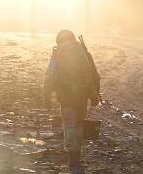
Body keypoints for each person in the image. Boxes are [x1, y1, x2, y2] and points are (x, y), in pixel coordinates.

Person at [43, 30, 101, 165]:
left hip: (66, 98)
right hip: (82, 97)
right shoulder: (84, 52)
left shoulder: (57, 54)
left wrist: (46, 99)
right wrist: (95, 97)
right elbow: (95, 76)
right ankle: (77, 153)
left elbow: (49, 76)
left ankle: (72, 155)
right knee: (79, 124)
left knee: (69, 125)